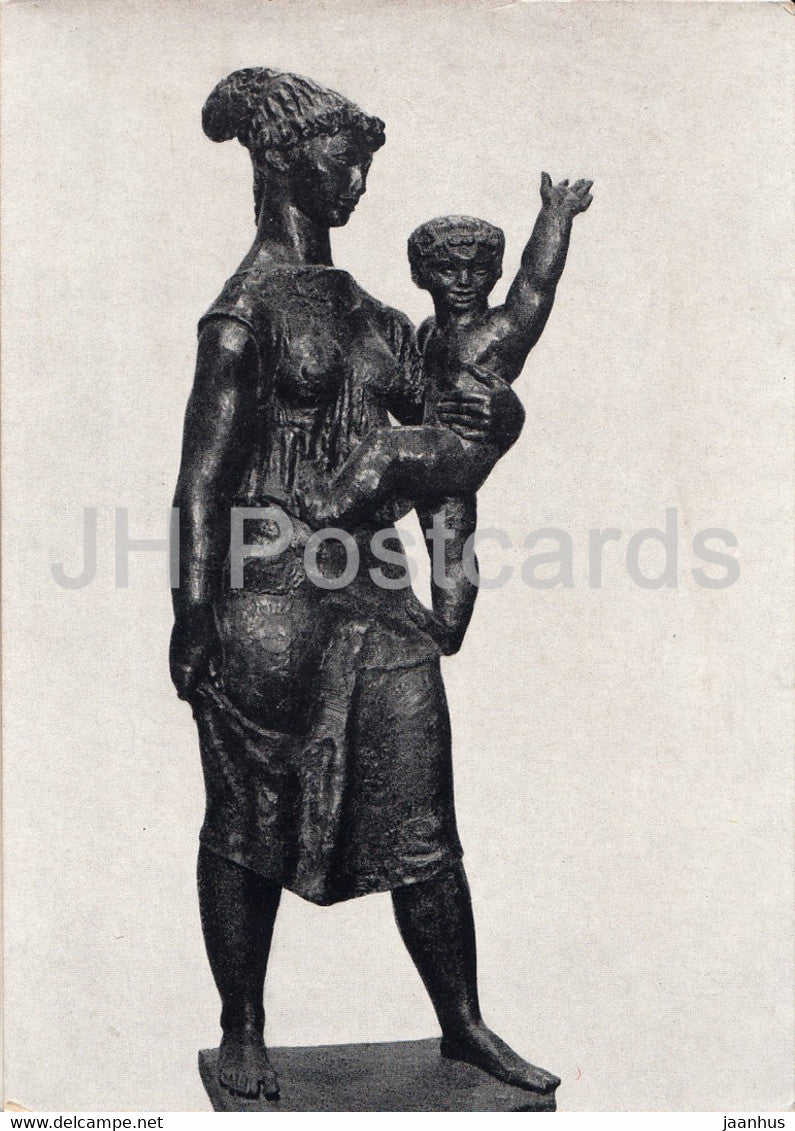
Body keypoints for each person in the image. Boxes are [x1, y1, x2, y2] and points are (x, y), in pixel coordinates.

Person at [171, 66, 557, 1102]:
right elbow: (200, 482)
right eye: (343, 165)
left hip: (375, 594)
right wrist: (190, 615)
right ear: (284, 161)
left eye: (364, 169)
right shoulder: (241, 315)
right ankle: (243, 1025)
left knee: (421, 813)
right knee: (249, 817)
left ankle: (462, 1023)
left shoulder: (373, 314)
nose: (357, 186)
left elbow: (448, 427)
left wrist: (500, 423)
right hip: (266, 591)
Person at [293, 183, 592, 652]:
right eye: (448, 269)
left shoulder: (501, 329)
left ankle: (328, 507)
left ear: (496, 273)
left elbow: (537, 282)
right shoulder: (427, 334)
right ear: (421, 275)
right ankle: (449, 626)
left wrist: (556, 215)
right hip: (439, 452)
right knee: (451, 534)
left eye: (479, 270)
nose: (464, 281)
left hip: (463, 448)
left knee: (386, 448)